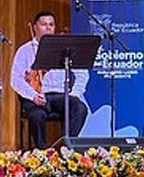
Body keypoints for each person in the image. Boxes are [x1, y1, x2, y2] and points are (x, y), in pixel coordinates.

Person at [10, 10, 88, 149]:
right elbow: (16, 79)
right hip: (36, 96)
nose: (48, 28)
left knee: (80, 108)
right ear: (35, 27)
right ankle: (43, 153)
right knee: (37, 115)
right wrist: (33, 95)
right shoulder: (25, 51)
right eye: (44, 24)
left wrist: (75, 93)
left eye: (51, 25)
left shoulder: (64, 49)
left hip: (60, 96)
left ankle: (65, 147)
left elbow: (83, 73)